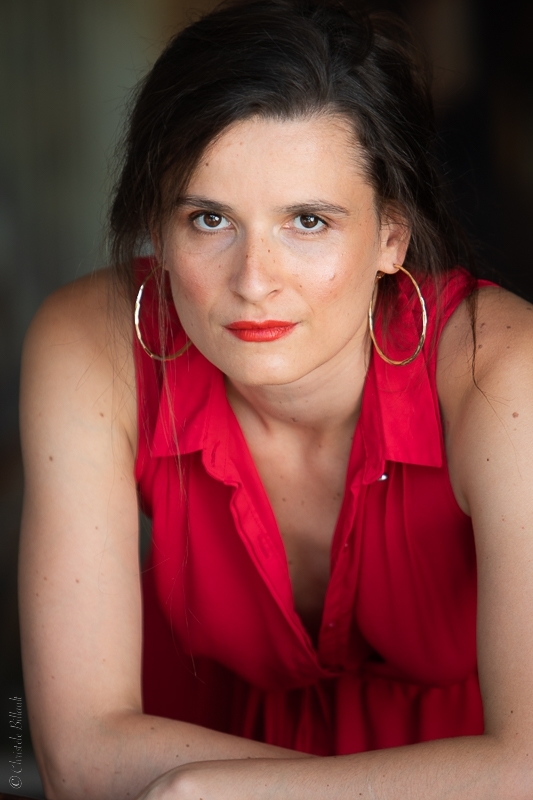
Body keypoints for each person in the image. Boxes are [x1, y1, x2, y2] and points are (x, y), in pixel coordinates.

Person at [18, 0, 533, 797]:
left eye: (307, 221)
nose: (254, 280)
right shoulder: (91, 342)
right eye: (209, 219)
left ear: (390, 236)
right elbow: (79, 754)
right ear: (159, 226)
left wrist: (215, 790)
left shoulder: (498, 372)